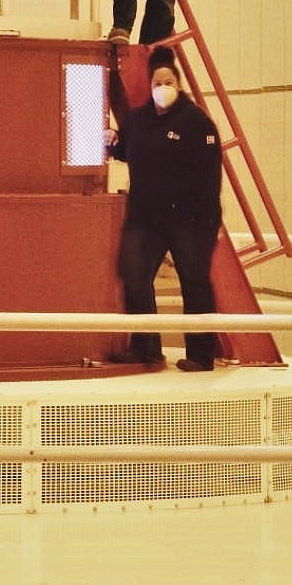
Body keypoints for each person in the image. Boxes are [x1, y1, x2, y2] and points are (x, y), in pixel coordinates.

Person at [105, 44, 223, 372]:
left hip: (189, 219)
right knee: (134, 275)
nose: (162, 88)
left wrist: (209, 222)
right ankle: (145, 348)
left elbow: (210, 175)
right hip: (146, 218)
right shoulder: (139, 119)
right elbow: (128, 150)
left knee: (195, 281)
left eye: (168, 82)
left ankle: (201, 354)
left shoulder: (197, 123)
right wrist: (113, 139)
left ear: (179, 84)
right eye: (157, 83)